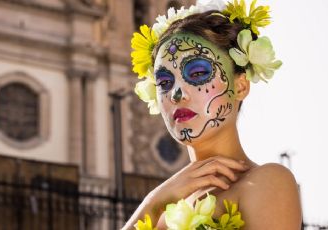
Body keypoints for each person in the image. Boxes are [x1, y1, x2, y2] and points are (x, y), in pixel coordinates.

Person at [124, 0, 302, 229]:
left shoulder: (267, 182)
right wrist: (153, 202)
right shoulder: (162, 210)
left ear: (241, 87)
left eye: (197, 73)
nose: (177, 94)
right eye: (165, 82)